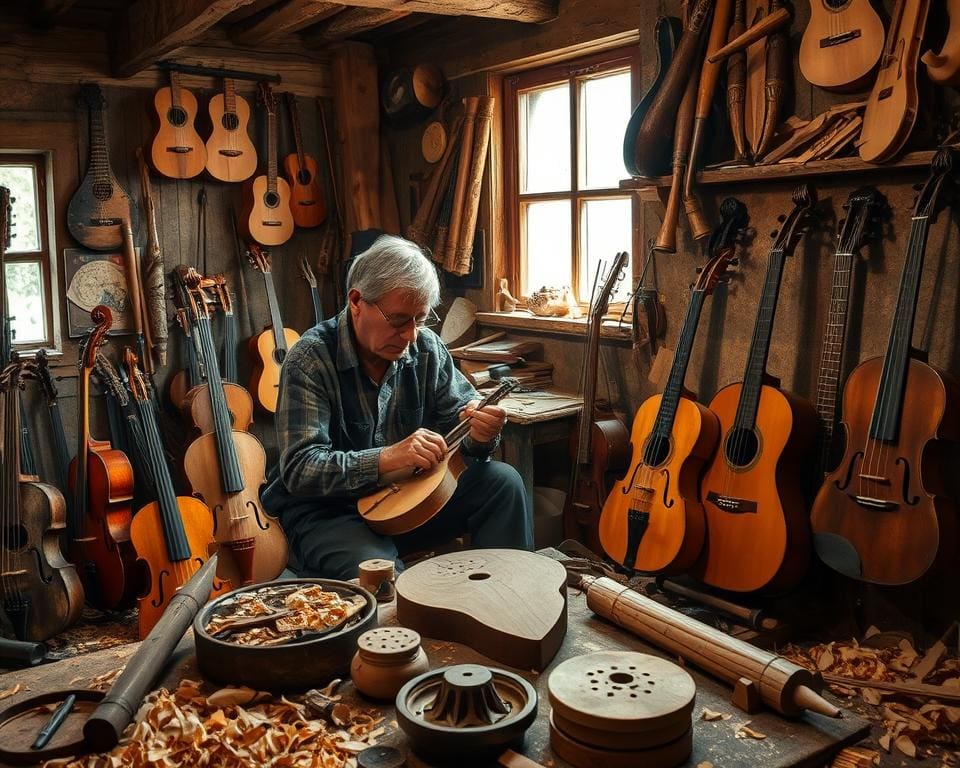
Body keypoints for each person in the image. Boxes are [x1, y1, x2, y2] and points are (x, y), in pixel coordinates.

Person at [261, 234, 534, 580]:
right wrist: (388, 457)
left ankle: (506, 608)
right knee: (381, 573)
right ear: (357, 301)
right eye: (398, 320)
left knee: (503, 484)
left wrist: (479, 436)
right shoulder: (309, 359)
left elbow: (461, 433)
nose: (410, 335)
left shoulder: (426, 348)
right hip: (330, 513)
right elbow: (301, 470)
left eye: (420, 320)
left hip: (408, 499)